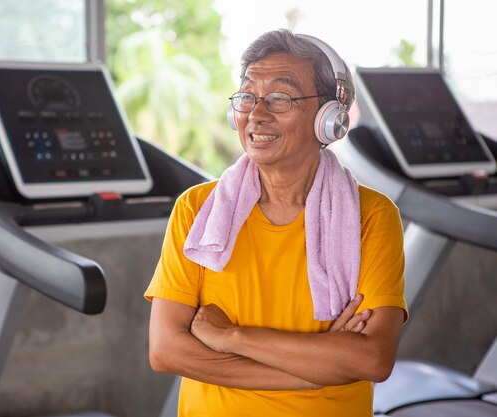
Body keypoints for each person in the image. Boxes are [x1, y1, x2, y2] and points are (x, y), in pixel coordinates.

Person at [144, 28, 407, 417]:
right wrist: (312, 373)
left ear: (329, 117)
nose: (256, 114)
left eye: (280, 98)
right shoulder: (197, 209)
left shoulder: (372, 215)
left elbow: (371, 359)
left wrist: (229, 336)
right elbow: (166, 351)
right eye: (247, 96)